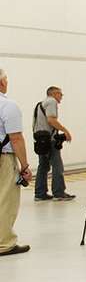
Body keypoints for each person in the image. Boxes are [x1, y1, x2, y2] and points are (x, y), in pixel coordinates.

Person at [0, 68, 33, 256]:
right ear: (2, 82)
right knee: (5, 199)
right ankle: (4, 243)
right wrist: (25, 166)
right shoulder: (8, 105)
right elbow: (16, 138)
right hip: (4, 158)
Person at [32, 86, 75, 201]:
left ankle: (40, 193)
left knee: (43, 166)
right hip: (50, 140)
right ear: (54, 94)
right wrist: (65, 131)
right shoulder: (52, 101)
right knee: (57, 166)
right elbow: (51, 120)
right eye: (60, 94)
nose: (61, 97)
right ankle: (58, 192)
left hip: (40, 140)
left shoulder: (40, 104)